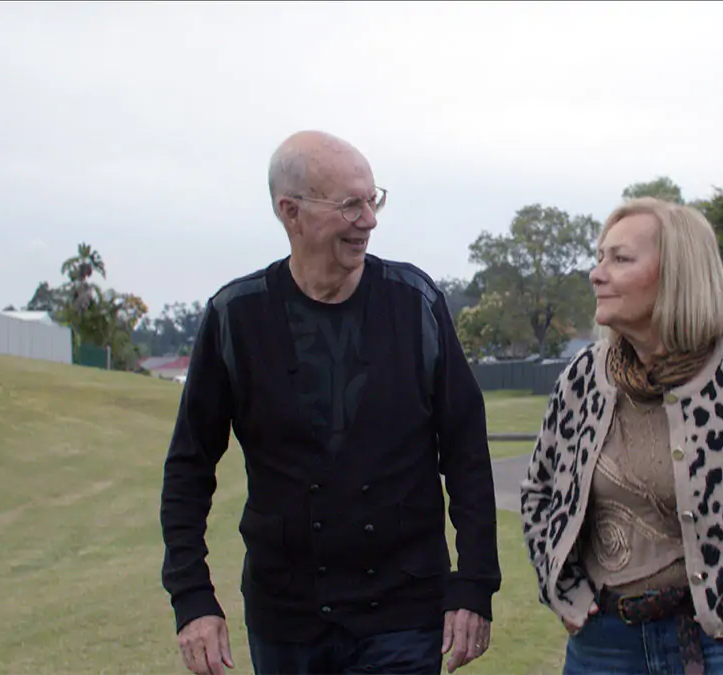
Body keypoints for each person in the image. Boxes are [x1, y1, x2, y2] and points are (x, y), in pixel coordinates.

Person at [160, 130, 501, 675]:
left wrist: (475, 581)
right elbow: (188, 469)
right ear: (290, 212)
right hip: (286, 620)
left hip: (405, 612)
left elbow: (465, 451)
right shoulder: (235, 318)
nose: (368, 219)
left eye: (373, 199)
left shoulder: (416, 305)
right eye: (350, 205)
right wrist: (192, 596)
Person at [519, 197, 723, 675]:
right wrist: (562, 588)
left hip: (722, 644)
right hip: (604, 647)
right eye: (600, 256)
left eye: (620, 259)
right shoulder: (583, 378)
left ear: (676, 275)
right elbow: (539, 492)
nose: (597, 273)